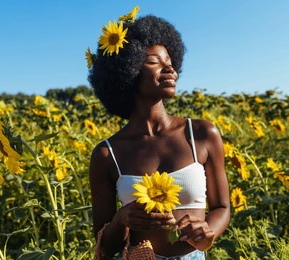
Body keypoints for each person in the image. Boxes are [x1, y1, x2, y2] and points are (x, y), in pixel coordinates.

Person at [87, 7, 230, 260]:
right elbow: (105, 246)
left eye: (171, 64)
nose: (170, 70)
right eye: (155, 62)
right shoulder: (107, 153)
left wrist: (209, 231)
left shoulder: (202, 134)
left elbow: (221, 207)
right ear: (126, 69)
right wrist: (122, 219)